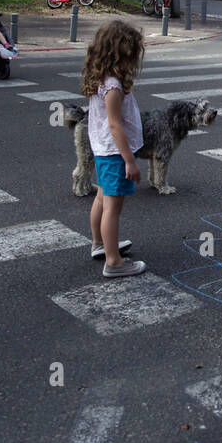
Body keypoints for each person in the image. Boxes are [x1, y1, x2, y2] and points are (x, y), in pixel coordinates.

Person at [80, 20, 146, 278]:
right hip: (114, 152)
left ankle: (99, 244)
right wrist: (129, 159)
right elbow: (115, 125)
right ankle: (114, 262)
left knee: (102, 198)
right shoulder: (114, 87)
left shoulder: (101, 77)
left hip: (102, 148)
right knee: (112, 208)